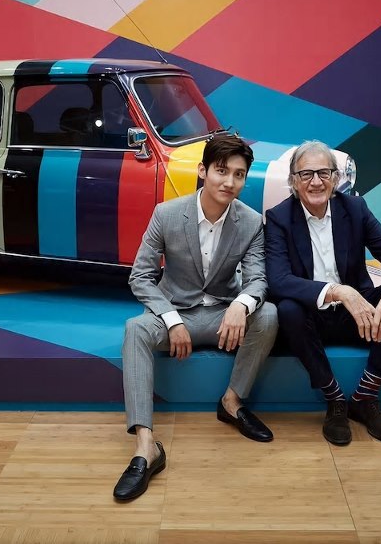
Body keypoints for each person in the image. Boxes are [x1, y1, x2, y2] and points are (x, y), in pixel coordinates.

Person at [113, 135, 278, 501]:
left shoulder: (251, 222)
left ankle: (231, 402)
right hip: (176, 313)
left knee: (267, 314)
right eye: (221, 171)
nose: (229, 182)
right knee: (135, 329)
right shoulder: (167, 214)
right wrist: (171, 319)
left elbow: (257, 280)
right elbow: (140, 277)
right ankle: (146, 447)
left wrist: (242, 305)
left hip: (222, 315)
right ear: (203, 171)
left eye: (238, 174)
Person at [265, 140, 381, 446]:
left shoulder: (355, 209)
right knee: (287, 308)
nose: (316, 181)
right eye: (306, 174)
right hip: (311, 321)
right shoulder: (279, 218)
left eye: (323, 173)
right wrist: (339, 292)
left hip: (358, 319)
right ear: (293, 181)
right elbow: (279, 280)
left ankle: (365, 396)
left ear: (336, 178)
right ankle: (335, 399)